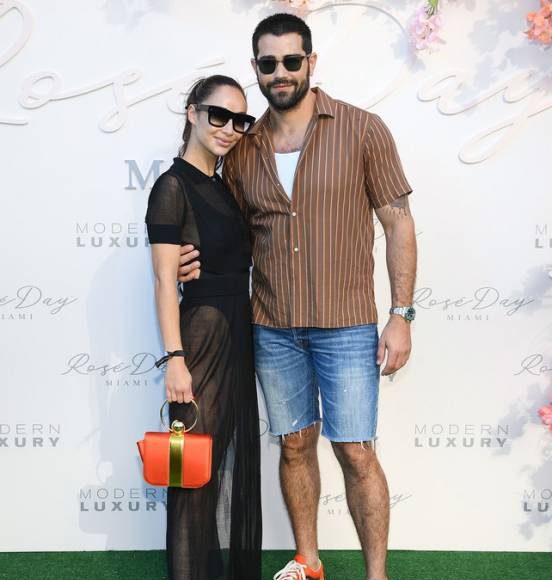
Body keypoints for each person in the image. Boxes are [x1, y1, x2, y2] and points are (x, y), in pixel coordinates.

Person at [179, 13, 417, 580]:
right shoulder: (243, 148)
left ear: (311, 62)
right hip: (273, 326)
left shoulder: (363, 129)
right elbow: (231, 231)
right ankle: (308, 561)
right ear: (256, 68)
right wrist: (190, 256)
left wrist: (401, 314)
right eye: (268, 63)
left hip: (347, 324)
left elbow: (399, 223)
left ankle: (376, 575)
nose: (280, 72)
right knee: (293, 446)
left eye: (291, 60)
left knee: (355, 451)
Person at [145, 75, 262, 580]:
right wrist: (175, 360)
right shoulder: (172, 186)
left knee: (211, 469)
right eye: (219, 115)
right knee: (191, 475)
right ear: (192, 113)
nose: (229, 128)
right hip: (202, 338)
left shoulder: (223, 184)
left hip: (237, 333)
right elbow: (163, 280)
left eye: (240, 120)